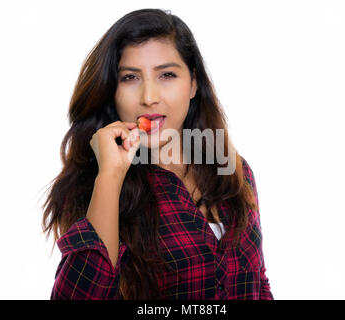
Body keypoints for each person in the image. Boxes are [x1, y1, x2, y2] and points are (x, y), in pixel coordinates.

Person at [42, 8, 273, 300]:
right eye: (130, 77)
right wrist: (111, 176)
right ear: (111, 90)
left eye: (167, 75)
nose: (149, 97)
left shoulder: (233, 170)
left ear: (192, 83)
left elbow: (258, 283)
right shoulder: (94, 185)